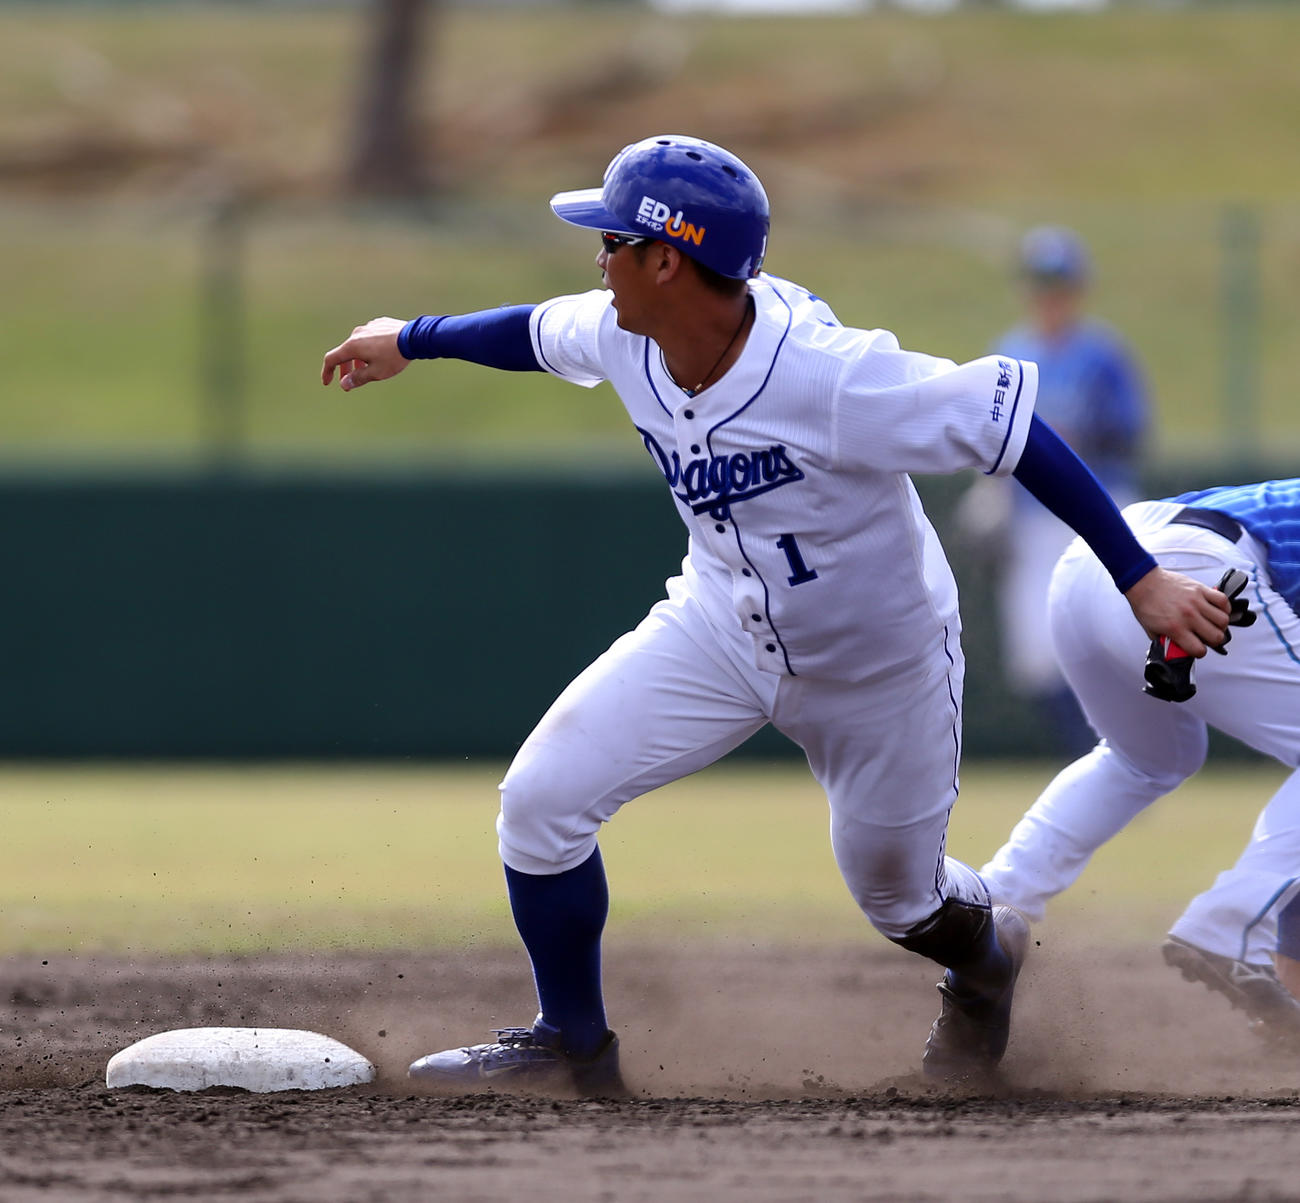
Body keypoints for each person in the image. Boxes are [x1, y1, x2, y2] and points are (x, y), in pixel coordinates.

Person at [320, 135, 1229, 1092]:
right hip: (720, 628)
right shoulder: (627, 331)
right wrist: (409, 337)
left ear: (667, 258)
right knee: (542, 800)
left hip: (880, 667)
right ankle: (573, 1044)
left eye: (613, 240)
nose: (599, 258)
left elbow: (1010, 429)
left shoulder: (832, 376)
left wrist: (1139, 577)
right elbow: (526, 332)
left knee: (898, 897)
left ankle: (987, 954)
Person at [981, 478, 1300, 1046]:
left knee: (1146, 758)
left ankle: (991, 905)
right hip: (1191, 573)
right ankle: (1230, 925)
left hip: (1095, 566)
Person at [962, 227, 1150, 756]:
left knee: (1121, 636)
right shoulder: (1009, 352)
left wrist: (1070, 437)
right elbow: (986, 433)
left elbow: (1130, 432)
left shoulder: (1103, 355)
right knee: (1038, 653)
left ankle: (1132, 752)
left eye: (1059, 283)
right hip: (1031, 519)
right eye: (1041, 282)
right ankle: (1090, 757)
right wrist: (989, 494)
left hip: (1099, 509)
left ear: (1078, 288)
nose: (1049, 294)